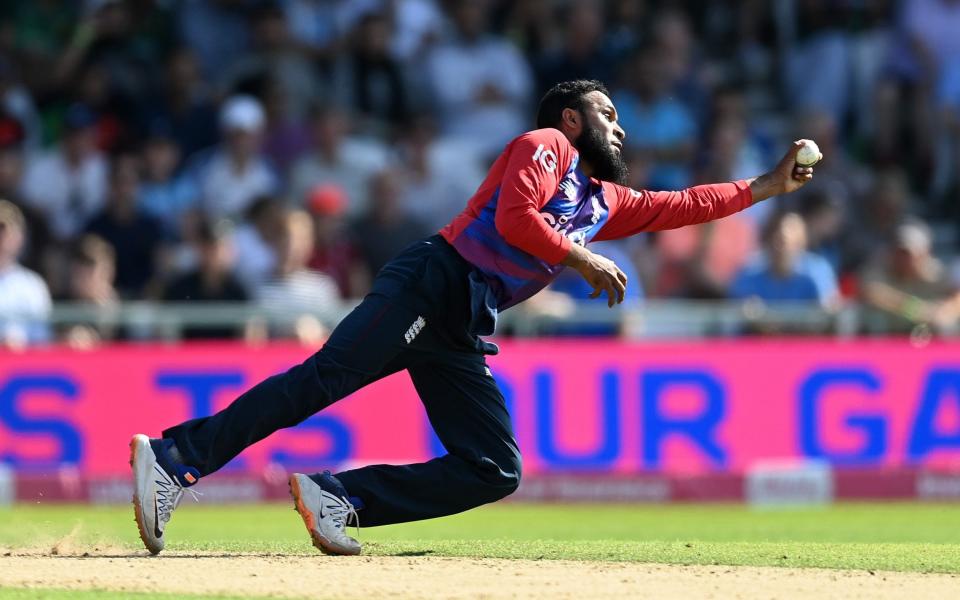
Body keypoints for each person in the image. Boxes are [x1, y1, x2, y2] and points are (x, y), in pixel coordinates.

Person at [130, 80, 819, 556]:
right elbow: (518, 220)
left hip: (463, 321)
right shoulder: (545, 144)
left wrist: (764, 187)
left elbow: (685, 204)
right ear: (573, 119)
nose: (621, 125)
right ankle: (175, 459)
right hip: (433, 283)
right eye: (607, 113)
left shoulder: (605, 200)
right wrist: (581, 259)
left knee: (493, 468)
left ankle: (339, 497)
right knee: (323, 380)